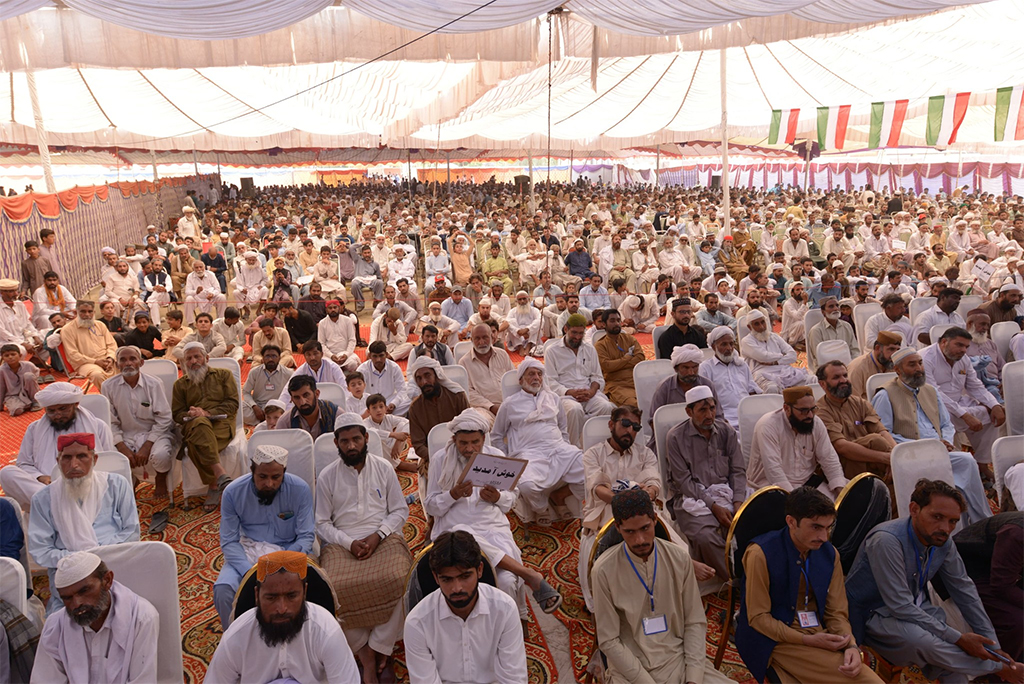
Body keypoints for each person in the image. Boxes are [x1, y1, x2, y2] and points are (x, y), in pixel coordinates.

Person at [845, 479, 1023, 683]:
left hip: (915, 608)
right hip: (872, 614)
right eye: (937, 517)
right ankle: (998, 669)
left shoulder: (942, 540)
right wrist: (962, 641)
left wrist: (993, 645)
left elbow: (964, 589)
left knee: (948, 655)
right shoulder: (886, 541)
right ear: (914, 509)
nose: (945, 528)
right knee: (926, 642)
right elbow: (899, 605)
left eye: (953, 521)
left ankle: (994, 665)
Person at [736, 487, 883, 684]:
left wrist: (850, 646)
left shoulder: (830, 555)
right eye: (816, 527)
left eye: (828, 527)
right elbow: (758, 618)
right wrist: (807, 640)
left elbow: (836, 613)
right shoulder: (760, 553)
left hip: (817, 633)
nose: (824, 537)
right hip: (774, 640)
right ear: (791, 522)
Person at [424, 410, 562, 617]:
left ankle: (510, 624)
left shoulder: (496, 457)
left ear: (483, 438)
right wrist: (452, 494)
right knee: (461, 533)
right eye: (463, 443)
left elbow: (511, 500)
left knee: (506, 580)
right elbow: (431, 506)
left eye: (475, 442)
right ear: (454, 439)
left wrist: (497, 497)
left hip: (491, 527)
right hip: (453, 527)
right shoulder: (440, 459)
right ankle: (528, 574)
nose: (469, 449)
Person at [591, 489, 731, 684]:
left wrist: (693, 678)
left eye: (645, 528)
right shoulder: (604, 570)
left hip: (678, 660)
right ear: (618, 528)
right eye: (630, 532)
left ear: (655, 520)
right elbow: (609, 641)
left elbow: (694, 622)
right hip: (632, 671)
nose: (639, 540)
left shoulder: (679, 558)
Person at [315, 414, 412, 683]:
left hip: (382, 536)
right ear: (336, 443)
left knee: (404, 579)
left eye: (356, 438)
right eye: (344, 441)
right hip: (340, 541)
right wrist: (348, 542)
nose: (351, 446)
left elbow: (399, 511)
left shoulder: (383, 468)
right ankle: (366, 654)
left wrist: (377, 535)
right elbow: (321, 522)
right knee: (331, 588)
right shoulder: (327, 476)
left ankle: (381, 647)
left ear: (366, 438)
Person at [871, 347, 993, 526]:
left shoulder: (930, 391)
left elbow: (946, 424)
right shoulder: (885, 394)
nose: (919, 368)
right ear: (898, 369)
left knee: (966, 463)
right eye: (912, 365)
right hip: (910, 455)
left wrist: (946, 442)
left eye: (920, 363)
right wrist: (925, 446)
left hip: (940, 450)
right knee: (965, 463)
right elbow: (884, 433)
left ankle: (981, 522)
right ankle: (978, 521)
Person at [206, 550, 360, 684]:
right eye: (271, 598)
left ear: (304, 593)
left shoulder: (325, 630)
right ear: (257, 596)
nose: (282, 608)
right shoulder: (236, 637)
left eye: (291, 596)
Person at [27, 434, 140, 613]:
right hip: (68, 575)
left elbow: (131, 532)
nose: (74, 465)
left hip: (112, 566)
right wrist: (77, 560)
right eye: (67, 458)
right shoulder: (43, 499)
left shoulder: (116, 485)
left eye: (81, 456)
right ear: (58, 461)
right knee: (59, 631)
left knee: (132, 616)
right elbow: (41, 550)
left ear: (94, 459)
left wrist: (97, 555)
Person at [403, 530, 528, 684]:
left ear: (480, 570)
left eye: (464, 576)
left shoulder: (505, 609)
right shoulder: (417, 622)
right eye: (447, 579)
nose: (457, 588)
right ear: (436, 577)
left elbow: (514, 679)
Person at [213, 445, 315, 629]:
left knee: (314, 584)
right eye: (262, 477)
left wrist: (282, 563)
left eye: (276, 477)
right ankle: (235, 639)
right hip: (248, 551)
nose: (269, 483)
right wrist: (249, 571)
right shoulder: (233, 493)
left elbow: (306, 536)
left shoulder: (299, 489)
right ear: (252, 471)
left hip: (288, 551)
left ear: (283, 473)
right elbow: (229, 541)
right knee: (223, 589)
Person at [580, 406, 666, 608]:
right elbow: (597, 488)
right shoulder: (593, 454)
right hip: (606, 508)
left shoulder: (645, 454)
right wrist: (621, 503)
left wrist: (648, 495)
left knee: (663, 531)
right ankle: (600, 601)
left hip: (643, 507)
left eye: (635, 427)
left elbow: (654, 483)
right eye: (625, 424)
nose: (630, 431)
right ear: (611, 425)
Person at [32, 551, 159, 683]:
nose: (77, 604)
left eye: (84, 591)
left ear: (107, 580)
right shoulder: (55, 625)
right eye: (67, 598)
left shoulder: (141, 618)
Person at [665, 386, 746, 580]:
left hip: (727, 493)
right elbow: (683, 481)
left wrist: (738, 503)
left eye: (712, 408)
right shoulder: (675, 438)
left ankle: (757, 575)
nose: (709, 414)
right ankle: (736, 583)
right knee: (706, 537)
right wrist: (714, 506)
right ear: (689, 412)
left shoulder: (726, 431)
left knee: (755, 525)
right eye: (702, 410)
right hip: (691, 498)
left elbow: (738, 471)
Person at [491, 357, 585, 521]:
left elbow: (562, 427)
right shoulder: (510, 404)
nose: (536, 378)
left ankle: (559, 496)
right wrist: (508, 459)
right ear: (521, 380)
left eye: (539, 374)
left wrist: (565, 446)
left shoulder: (553, 398)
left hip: (558, 449)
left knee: (591, 470)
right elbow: (497, 436)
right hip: (529, 454)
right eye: (531, 374)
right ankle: (541, 508)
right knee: (526, 486)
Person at [0, 382, 114, 508]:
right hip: (46, 487)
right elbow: (24, 463)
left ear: (75, 404)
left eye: (63, 409)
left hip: (85, 483)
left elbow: (108, 462)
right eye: (51, 411)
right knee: (6, 472)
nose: (57, 415)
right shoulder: (34, 429)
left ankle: (55, 506)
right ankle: (58, 504)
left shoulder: (98, 426)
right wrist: (41, 477)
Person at [102, 345, 177, 530]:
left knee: (160, 455)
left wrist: (148, 444)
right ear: (117, 364)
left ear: (141, 362)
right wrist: (122, 447)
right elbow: (109, 422)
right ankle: (128, 486)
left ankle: (160, 478)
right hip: (126, 434)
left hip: (155, 432)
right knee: (113, 458)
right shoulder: (108, 386)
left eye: (132, 359)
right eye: (123, 360)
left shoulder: (154, 383)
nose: (128, 363)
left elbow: (164, 417)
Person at [921, 327, 1005, 470]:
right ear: (943, 342)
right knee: (952, 417)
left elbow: (975, 386)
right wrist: (965, 415)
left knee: (993, 415)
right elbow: (934, 393)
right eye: (959, 345)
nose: (963, 350)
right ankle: (955, 469)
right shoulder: (925, 358)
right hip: (933, 408)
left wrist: (995, 405)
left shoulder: (963, 359)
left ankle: (982, 465)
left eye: (966, 346)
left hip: (958, 402)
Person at [747, 386, 849, 499]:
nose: (810, 415)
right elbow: (774, 470)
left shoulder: (816, 423)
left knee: (847, 501)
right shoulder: (768, 426)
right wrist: (796, 500)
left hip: (807, 483)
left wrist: (840, 490)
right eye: (804, 410)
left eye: (813, 409)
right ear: (787, 408)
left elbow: (829, 459)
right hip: (772, 487)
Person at [172, 342, 237, 512]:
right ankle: (220, 474)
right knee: (199, 424)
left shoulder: (224, 375)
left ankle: (214, 485)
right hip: (193, 424)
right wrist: (191, 414)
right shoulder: (180, 385)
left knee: (196, 442)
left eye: (197, 357)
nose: (193, 361)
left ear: (206, 358)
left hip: (220, 424)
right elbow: (177, 414)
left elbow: (232, 404)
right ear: (184, 363)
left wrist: (207, 413)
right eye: (189, 359)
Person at [953, 512, 1023, 663]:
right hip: (966, 570)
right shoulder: (1017, 533)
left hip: (998, 574)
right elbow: (1001, 585)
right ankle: (1001, 670)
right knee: (1018, 622)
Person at [815, 360, 896, 480]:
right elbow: (841, 447)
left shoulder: (859, 403)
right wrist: (884, 458)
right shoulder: (821, 411)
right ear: (823, 384)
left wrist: (895, 456)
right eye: (836, 377)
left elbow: (882, 431)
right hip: (844, 465)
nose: (843, 380)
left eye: (845, 375)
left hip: (873, 461)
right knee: (875, 441)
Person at [544, 313, 615, 446]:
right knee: (575, 410)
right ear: (566, 329)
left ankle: (597, 445)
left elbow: (597, 376)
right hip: (565, 396)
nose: (577, 337)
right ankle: (573, 448)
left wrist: (592, 391)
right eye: (574, 333)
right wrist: (570, 392)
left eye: (581, 333)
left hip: (589, 394)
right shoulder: (552, 351)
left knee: (606, 407)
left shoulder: (589, 349)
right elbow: (550, 382)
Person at [407, 356, 471, 484]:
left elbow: (470, 429)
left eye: (427, 375)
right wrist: (441, 458)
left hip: (464, 452)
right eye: (419, 378)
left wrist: (457, 454)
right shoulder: (415, 408)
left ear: (437, 375)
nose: (424, 382)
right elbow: (419, 445)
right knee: (440, 484)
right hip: (433, 457)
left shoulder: (457, 396)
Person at [698, 326, 760, 431]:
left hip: (747, 413)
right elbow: (706, 399)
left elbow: (752, 390)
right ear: (714, 347)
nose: (729, 348)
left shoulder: (741, 364)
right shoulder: (706, 368)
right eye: (724, 344)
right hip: (724, 417)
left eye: (731, 344)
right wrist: (719, 418)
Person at [740, 310, 817, 394]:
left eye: (763, 322)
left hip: (784, 370)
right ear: (749, 327)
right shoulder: (746, 341)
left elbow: (793, 355)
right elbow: (764, 357)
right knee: (772, 388)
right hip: (762, 373)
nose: (762, 327)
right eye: (757, 324)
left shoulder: (774, 336)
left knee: (812, 380)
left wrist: (776, 362)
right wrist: (782, 355)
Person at [460, 323, 514, 427]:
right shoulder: (464, 362)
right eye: (477, 338)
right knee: (481, 424)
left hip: (509, 404)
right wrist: (491, 407)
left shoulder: (502, 354)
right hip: (484, 409)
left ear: (492, 337)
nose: (481, 342)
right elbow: (468, 393)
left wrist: (509, 404)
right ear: (471, 340)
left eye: (485, 337)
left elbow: (512, 380)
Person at [58, 300, 118, 388]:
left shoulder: (100, 325)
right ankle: (110, 399)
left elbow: (111, 345)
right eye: (83, 311)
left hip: (107, 361)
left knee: (128, 367)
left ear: (94, 312)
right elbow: (73, 355)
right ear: (76, 312)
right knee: (98, 375)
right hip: (85, 364)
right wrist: (96, 361)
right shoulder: (67, 330)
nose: (87, 314)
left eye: (90, 311)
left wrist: (110, 358)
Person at [595, 309, 646, 406]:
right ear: (604, 324)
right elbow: (607, 366)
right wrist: (627, 358)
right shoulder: (600, 345)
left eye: (618, 320)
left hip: (636, 380)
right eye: (612, 321)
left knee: (655, 400)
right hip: (617, 384)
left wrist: (618, 364)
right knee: (637, 405)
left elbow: (640, 358)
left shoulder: (629, 339)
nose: (617, 323)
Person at [241, 344, 293, 426]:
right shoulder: (254, 372)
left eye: (274, 356)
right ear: (263, 358)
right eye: (267, 356)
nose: (271, 359)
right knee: (239, 406)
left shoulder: (288, 373)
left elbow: (292, 394)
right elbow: (246, 392)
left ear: (279, 358)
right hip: (259, 407)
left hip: (279, 407)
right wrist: (254, 407)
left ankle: (265, 421)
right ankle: (274, 421)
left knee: (294, 408)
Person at [277, 375, 340, 439]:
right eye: (297, 397)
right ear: (292, 399)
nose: (302, 402)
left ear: (317, 394)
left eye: (306, 395)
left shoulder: (336, 415)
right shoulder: (285, 422)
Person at [806, 296, 860, 371]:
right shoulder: (816, 331)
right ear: (823, 311)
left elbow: (855, 350)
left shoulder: (847, 326)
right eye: (831, 306)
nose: (835, 309)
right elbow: (819, 358)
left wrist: (854, 366)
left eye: (837, 306)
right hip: (825, 370)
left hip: (848, 367)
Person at [357, 341, 411, 416]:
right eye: (375, 356)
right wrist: (375, 407)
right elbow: (359, 394)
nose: (378, 359)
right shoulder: (362, 370)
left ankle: (380, 417)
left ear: (386, 354)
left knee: (411, 397)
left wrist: (393, 404)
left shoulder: (394, 367)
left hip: (389, 402)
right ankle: (385, 417)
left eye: (381, 356)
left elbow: (402, 390)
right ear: (369, 356)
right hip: (370, 405)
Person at [847, 331, 901, 400]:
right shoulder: (858, 368)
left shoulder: (895, 364)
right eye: (891, 349)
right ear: (877, 348)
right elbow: (853, 402)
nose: (895, 354)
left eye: (898, 350)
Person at [317, 299, 360, 371]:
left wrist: (346, 355)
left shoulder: (347, 320)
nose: (333, 310)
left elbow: (352, 340)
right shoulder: (322, 323)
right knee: (325, 366)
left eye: (335, 307)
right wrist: (331, 356)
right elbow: (321, 343)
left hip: (346, 354)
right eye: (330, 308)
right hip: (329, 355)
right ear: (326, 310)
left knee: (353, 364)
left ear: (339, 308)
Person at [0, 342, 40, 416]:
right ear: (3, 358)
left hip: (28, 392)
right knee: (17, 411)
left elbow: (36, 374)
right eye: (6, 355)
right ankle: (24, 404)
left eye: (13, 354)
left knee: (29, 376)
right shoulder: (1, 370)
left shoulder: (29, 365)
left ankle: (35, 401)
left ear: (20, 355)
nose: (10, 357)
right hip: (12, 395)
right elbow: (1, 387)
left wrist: (32, 384)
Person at [503, 290, 542, 357]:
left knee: (537, 323)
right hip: (518, 336)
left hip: (531, 335)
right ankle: (520, 347)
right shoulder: (512, 311)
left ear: (529, 299)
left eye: (524, 299)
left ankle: (529, 346)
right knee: (510, 322)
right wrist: (517, 331)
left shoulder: (535, 310)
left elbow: (540, 321)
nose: (522, 301)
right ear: (516, 301)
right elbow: (507, 322)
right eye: (520, 299)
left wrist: (528, 329)